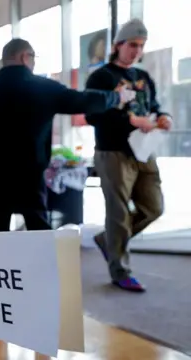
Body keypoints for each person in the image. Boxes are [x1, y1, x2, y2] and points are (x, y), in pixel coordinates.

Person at [0, 38, 137, 233]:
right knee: (38, 227)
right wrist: (116, 97)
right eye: (33, 58)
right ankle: (41, 262)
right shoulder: (42, 87)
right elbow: (81, 101)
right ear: (25, 57)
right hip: (29, 172)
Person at [85, 19, 172, 293]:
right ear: (117, 45)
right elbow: (92, 114)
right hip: (113, 152)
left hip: (144, 149)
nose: (137, 51)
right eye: (132, 44)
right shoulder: (101, 77)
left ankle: (107, 240)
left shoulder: (143, 77)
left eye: (141, 46)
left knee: (154, 207)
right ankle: (120, 270)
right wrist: (130, 121)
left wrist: (163, 116)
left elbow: (154, 105)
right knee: (119, 213)